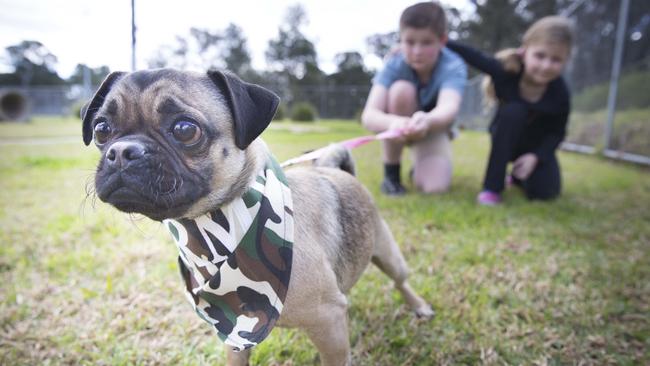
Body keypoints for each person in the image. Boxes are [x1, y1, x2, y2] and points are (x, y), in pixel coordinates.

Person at [446, 16, 574, 205]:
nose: (546, 66)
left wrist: (536, 157)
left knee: (546, 193)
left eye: (555, 60)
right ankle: (492, 188)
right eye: (540, 56)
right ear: (525, 51)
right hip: (505, 138)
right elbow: (473, 56)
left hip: (534, 147)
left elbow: (557, 133)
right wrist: (438, 41)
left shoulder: (560, 94)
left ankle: (517, 177)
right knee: (515, 111)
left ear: (565, 61)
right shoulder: (507, 71)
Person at [361, 1, 467, 196]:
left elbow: (449, 107)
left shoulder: (453, 66)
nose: (417, 51)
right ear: (400, 40)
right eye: (409, 42)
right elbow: (369, 115)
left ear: (442, 41)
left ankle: (420, 167)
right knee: (401, 90)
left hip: (432, 127)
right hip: (399, 125)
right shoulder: (394, 64)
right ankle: (391, 175)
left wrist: (427, 120)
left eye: (426, 42)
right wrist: (395, 123)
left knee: (434, 188)